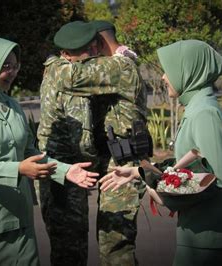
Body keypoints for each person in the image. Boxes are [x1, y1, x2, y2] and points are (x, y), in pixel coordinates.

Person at [0, 37, 98, 266]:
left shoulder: (13, 105)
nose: (12, 72)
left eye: (15, 66)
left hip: (18, 220)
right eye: (5, 66)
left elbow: (29, 152)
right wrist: (19, 169)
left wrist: (64, 171)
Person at [99, 40, 222, 266]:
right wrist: (140, 172)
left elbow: (216, 179)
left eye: (169, 70)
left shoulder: (205, 113)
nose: (164, 77)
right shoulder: (197, 108)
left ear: (188, 71)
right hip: (200, 234)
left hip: (209, 240)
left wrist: (160, 185)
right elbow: (191, 167)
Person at [58, 20, 149, 265]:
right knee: (110, 242)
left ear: (97, 43)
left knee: (115, 247)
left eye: (83, 46)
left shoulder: (121, 66)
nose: (82, 54)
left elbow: (71, 78)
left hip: (124, 164)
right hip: (114, 160)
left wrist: (58, 61)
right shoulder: (115, 63)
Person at [36, 21, 100, 266]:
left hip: (68, 170)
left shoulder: (64, 70)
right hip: (60, 173)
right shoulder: (66, 76)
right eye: (88, 50)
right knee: (68, 247)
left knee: (72, 242)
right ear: (66, 54)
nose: (94, 54)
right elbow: (81, 137)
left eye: (95, 47)